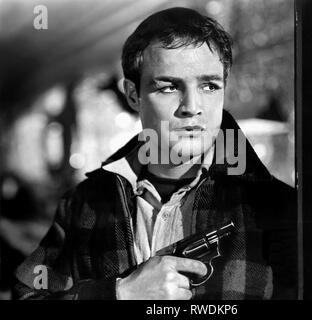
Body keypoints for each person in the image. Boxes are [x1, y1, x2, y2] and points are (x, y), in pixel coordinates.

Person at [14, 7, 297, 300]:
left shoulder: (278, 211)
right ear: (133, 95)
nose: (191, 106)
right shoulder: (85, 204)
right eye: (169, 87)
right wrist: (119, 294)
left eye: (210, 85)